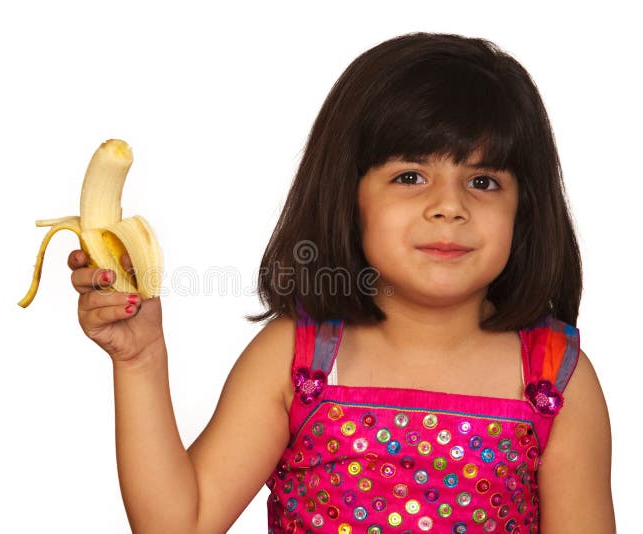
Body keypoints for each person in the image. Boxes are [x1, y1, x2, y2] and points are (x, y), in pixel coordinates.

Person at [67, 32, 614, 533]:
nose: (450, 206)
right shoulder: (298, 357)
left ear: (526, 210)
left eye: (483, 180)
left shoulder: (557, 379)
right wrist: (140, 361)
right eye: (410, 177)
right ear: (348, 197)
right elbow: (177, 525)